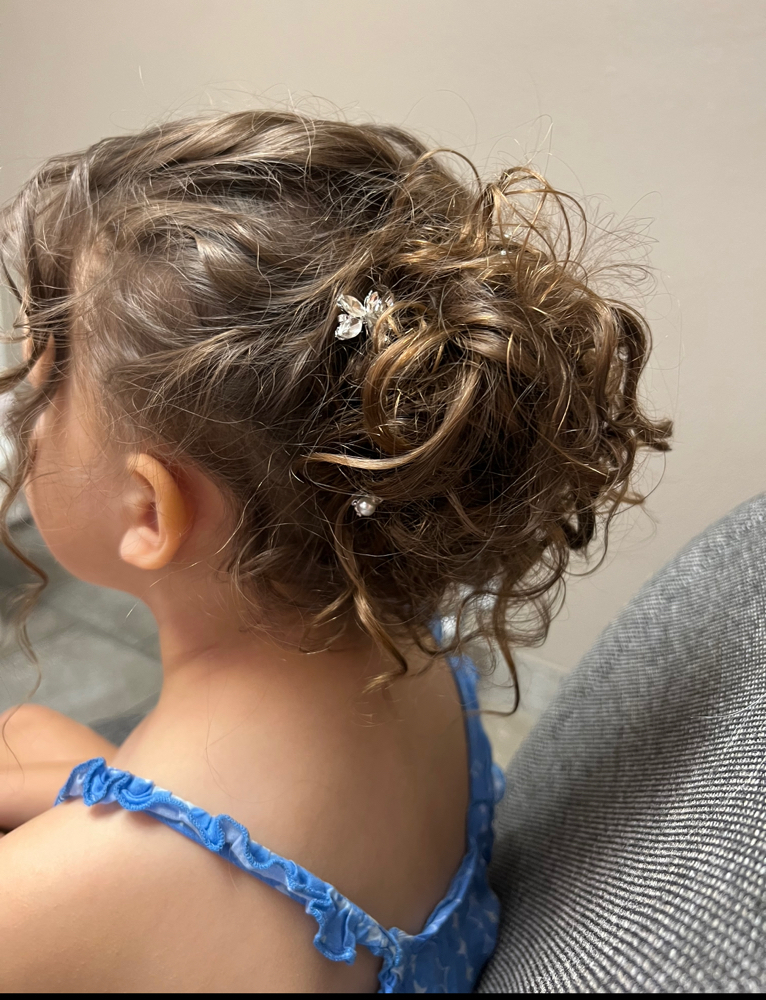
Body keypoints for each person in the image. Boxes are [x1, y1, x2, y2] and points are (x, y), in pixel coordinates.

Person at [0, 110, 670, 992]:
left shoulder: (45, 904)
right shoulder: (412, 644)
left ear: (148, 512)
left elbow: (109, 880)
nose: (20, 414)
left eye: (39, 384)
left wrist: (76, 850)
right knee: (22, 737)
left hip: (168, 899)